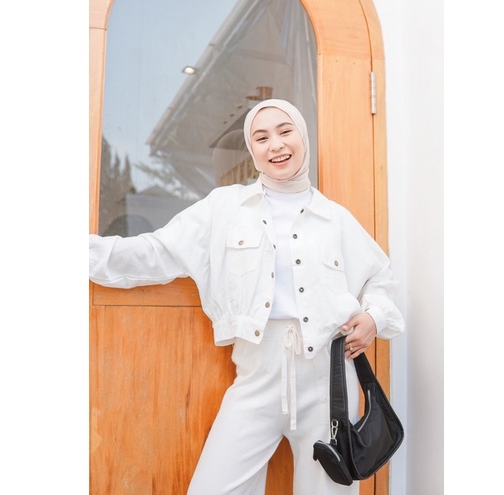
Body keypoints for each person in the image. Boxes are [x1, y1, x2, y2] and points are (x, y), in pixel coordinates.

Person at [89, 99, 405, 494]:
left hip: (328, 381)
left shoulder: (335, 218)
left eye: (285, 131)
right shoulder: (224, 207)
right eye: (262, 137)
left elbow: (381, 277)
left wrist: (374, 316)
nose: (276, 144)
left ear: (303, 137)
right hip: (257, 373)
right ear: (252, 150)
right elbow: (156, 252)